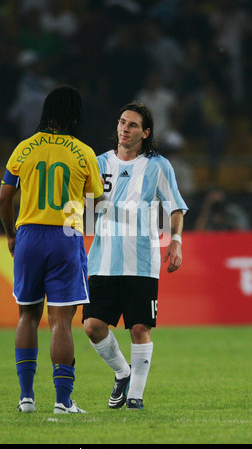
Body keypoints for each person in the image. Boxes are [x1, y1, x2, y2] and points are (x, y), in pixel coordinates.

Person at [0, 86, 104, 414]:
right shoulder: (83, 152)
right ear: (75, 114)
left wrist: (12, 234)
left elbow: (4, 198)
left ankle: (26, 398)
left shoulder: (24, 148)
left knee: (27, 316)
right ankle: (62, 402)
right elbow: (98, 201)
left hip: (28, 234)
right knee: (60, 321)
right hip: (65, 235)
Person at [83, 102, 188, 410]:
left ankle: (135, 398)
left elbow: (176, 207)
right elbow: (87, 211)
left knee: (140, 328)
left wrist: (176, 241)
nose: (124, 129)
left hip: (142, 262)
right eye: (121, 123)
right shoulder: (98, 163)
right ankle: (122, 372)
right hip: (103, 259)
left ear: (145, 132)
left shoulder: (158, 165)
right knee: (92, 325)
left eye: (131, 125)